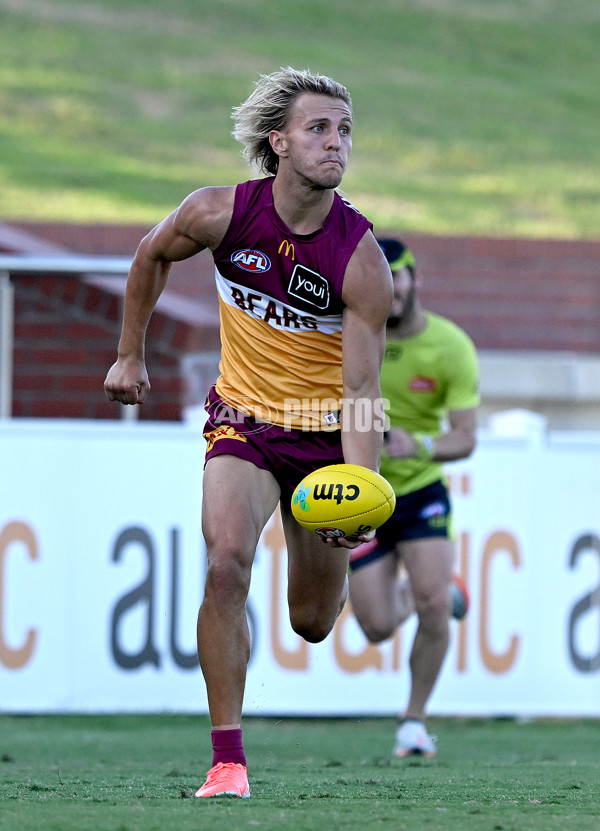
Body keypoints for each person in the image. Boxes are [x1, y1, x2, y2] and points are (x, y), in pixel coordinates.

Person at [104, 67, 393, 798]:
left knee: (312, 623)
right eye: (319, 128)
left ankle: (333, 563)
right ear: (279, 143)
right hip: (243, 422)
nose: (337, 143)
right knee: (226, 562)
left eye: (345, 130)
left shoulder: (361, 259)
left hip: (325, 439)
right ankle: (227, 760)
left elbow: (362, 391)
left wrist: (359, 495)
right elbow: (149, 255)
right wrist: (129, 352)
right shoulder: (216, 213)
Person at [348, 238, 479, 759]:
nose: (391, 287)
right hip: (362, 492)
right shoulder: (354, 335)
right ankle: (442, 592)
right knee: (377, 627)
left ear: (413, 279)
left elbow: (466, 437)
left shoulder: (450, 346)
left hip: (422, 489)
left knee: (429, 607)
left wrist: (418, 444)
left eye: (396, 275)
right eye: (381, 276)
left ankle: (414, 720)